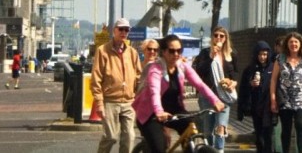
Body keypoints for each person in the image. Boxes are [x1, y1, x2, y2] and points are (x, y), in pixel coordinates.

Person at [132, 34, 225, 153]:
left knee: (190, 130)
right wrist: (159, 111)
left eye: (179, 51)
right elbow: (154, 92)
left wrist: (215, 101)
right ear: (164, 52)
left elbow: (200, 84)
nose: (176, 54)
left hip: (174, 110)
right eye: (172, 51)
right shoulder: (155, 69)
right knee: (160, 148)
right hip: (151, 115)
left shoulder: (182, 67)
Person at [92, 19, 144, 153]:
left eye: (126, 30)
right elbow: (96, 78)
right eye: (121, 29)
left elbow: (138, 76)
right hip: (110, 101)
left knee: (129, 137)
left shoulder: (132, 53)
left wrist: (140, 97)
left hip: (128, 101)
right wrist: (99, 103)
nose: (124, 32)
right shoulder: (103, 51)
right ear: (114, 30)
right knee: (110, 136)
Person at [193, 27, 237, 152]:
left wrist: (233, 83)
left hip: (224, 96)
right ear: (212, 38)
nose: (218, 38)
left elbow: (234, 74)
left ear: (225, 38)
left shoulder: (231, 54)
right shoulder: (205, 53)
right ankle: (210, 150)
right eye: (216, 35)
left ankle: (219, 150)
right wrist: (211, 56)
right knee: (208, 130)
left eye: (221, 36)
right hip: (207, 96)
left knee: (221, 126)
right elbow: (199, 71)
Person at [270, 31, 302, 153]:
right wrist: (273, 100)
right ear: (287, 44)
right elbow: (274, 80)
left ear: (300, 44)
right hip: (285, 99)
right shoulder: (280, 59)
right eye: (291, 42)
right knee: (286, 129)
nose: (293, 44)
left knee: (300, 125)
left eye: (296, 42)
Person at [239, 41, 276, 153]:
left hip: (269, 106)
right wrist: (251, 84)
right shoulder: (250, 69)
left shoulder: (273, 67)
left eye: (265, 54)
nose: (262, 57)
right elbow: (243, 88)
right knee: (259, 133)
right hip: (256, 106)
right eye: (260, 54)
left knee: (269, 133)